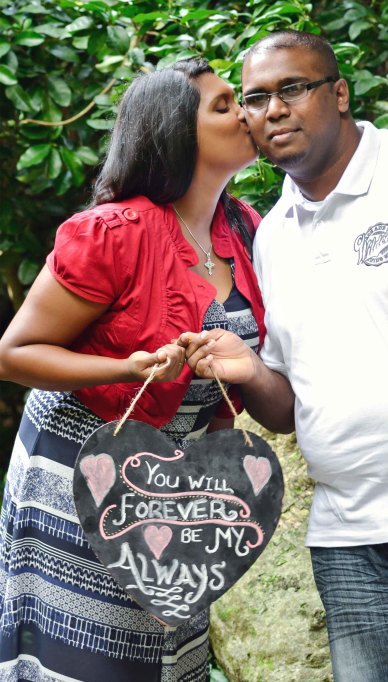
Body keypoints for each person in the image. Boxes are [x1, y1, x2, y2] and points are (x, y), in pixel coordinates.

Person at [178, 30, 388, 681]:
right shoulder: (271, 236)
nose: (273, 109)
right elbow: (286, 413)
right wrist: (249, 373)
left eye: (292, 89)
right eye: (255, 98)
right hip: (347, 545)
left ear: (338, 94)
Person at [0, 58, 263, 680]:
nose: (247, 113)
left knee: (168, 650)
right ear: (176, 131)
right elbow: (14, 353)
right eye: (224, 106)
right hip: (82, 473)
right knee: (92, 657)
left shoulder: (246, 228)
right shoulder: (112, 233)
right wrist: (124, 365)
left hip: (182, 486)